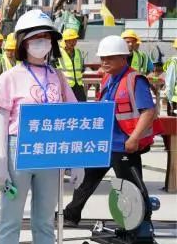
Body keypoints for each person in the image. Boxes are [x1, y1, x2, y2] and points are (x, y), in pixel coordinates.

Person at [0, 10, 77, 244]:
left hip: (50, 152)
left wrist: (75, 160)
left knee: (44, 220)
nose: (41, 43)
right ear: (23, 43)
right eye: (35, 38)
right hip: (19, 150)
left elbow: (73, 116)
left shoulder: (58, 77)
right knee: (11, 218)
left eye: (45, 38)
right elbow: (1, 121)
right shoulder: (10, 77)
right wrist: (1, 163)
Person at [64, 35, 158, 227]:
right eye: (102, 58)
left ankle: (143, 224)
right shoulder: (109, 79)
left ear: (123, 58)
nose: (104, 62)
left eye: (110, 58)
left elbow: (149, 112)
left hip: (124, 145)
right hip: (104, 143)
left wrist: (133, 139)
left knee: (132, 186)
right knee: (86, 180)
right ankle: (70, 215)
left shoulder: (135, 80)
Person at [57, 28, 87, 102]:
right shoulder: (58, 53)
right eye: (70, 40)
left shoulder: (78, 52)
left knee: (82, 107)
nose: (73, 42)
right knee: (67, 110)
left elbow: (82, 67)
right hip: (65, 86)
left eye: (75, 40)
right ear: (65, 41)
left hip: (78, 86)